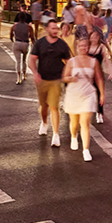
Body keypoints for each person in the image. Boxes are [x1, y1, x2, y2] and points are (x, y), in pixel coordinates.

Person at [28, 19, 71, 147]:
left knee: (54, 106)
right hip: (42, 79)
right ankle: (44, 122)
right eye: (53, 28)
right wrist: (35, 73)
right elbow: (32, 59)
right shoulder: (40, 43)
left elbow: (68, 61)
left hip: (56, 80)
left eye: (56, 28)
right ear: (47, 29)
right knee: (44, 106)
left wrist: (65, 74)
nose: (55, 31)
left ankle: (56, 135)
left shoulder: (62, 45)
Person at [62, 37, 104, 161]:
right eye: (80, 46)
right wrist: (70, 78)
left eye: (85, 46)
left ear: (88, 47)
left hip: (88, 94)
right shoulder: (71, 62)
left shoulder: (93, 61)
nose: (83, 48)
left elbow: (99, 78)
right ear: (77, 47)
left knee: (85, 123)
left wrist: (102, 94)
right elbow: (64, 77)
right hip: (73, 94)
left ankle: (86, 149)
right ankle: (74, 136)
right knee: (74, 123)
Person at [89, 29, 112, 123]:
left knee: (99, 93)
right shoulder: (86, 47)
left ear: (99, 37)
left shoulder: (101, 47)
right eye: (92, 36)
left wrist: (111, 72)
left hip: (98, 74)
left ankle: (99, 113)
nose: (94, 38)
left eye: (96, 36)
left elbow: (107, 61)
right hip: (88, 74)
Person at [10, 11, 35, 84]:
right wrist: (33, 44)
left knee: (18, 61)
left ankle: (18, 78)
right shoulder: (29, 27)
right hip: (25, 43)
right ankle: (24, 75)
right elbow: (32, 37)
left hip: (17, 42)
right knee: (24, 60)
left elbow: (11, 37)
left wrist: (14, 41)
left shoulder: (14, 26)